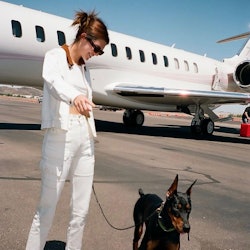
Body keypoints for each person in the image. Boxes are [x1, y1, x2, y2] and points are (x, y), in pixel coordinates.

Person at [26, 10, 109, 250]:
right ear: (84, 37)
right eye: (96, 48)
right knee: (46, 209)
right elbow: (52, 81)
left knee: (80, 211)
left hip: (85, 140)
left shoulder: (85, 69)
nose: (96, 54)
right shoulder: (55, 56)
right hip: (60, 137)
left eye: (100, 51)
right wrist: (76, 97)